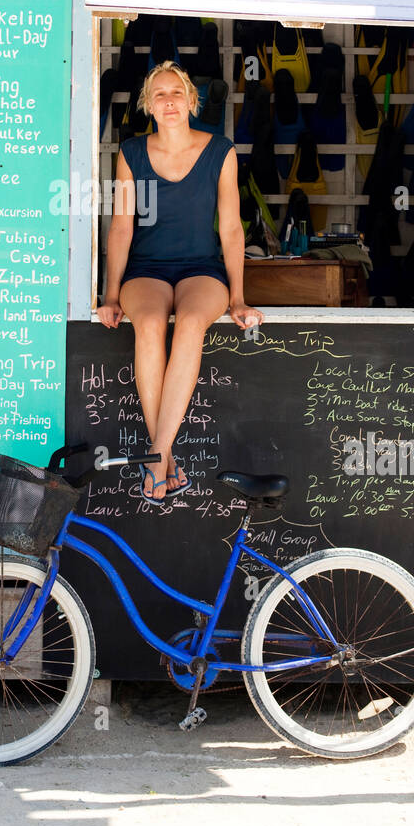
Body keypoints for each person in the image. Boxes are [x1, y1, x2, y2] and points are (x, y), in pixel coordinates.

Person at [97, 59, 264, 505]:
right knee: (149, 323)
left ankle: (156, 458)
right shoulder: (131, 152)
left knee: (190, 322)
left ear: (192, 101)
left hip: (202, 269)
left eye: (176, 93)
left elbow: (231, 228)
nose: (169, 101)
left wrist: (240, 298)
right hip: (146, 269)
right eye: (159, 94)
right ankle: (163, 461)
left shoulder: (220, 151)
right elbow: (122, 228)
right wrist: (111, 294)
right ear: (148, 106)